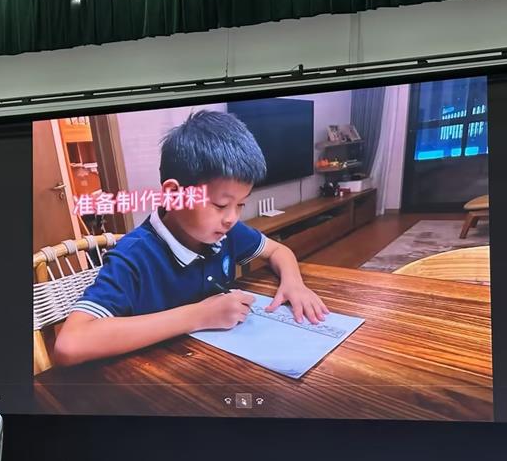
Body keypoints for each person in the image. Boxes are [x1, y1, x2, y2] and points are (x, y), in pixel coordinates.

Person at [53, 109, 329, 367]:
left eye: (241, 204)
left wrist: (294, 284)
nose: (232, 218)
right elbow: (70, 344)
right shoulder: (133, 256)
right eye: (221, 205)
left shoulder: (226, 232)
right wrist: (199, 315)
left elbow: (278, 251)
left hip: (214, 365)